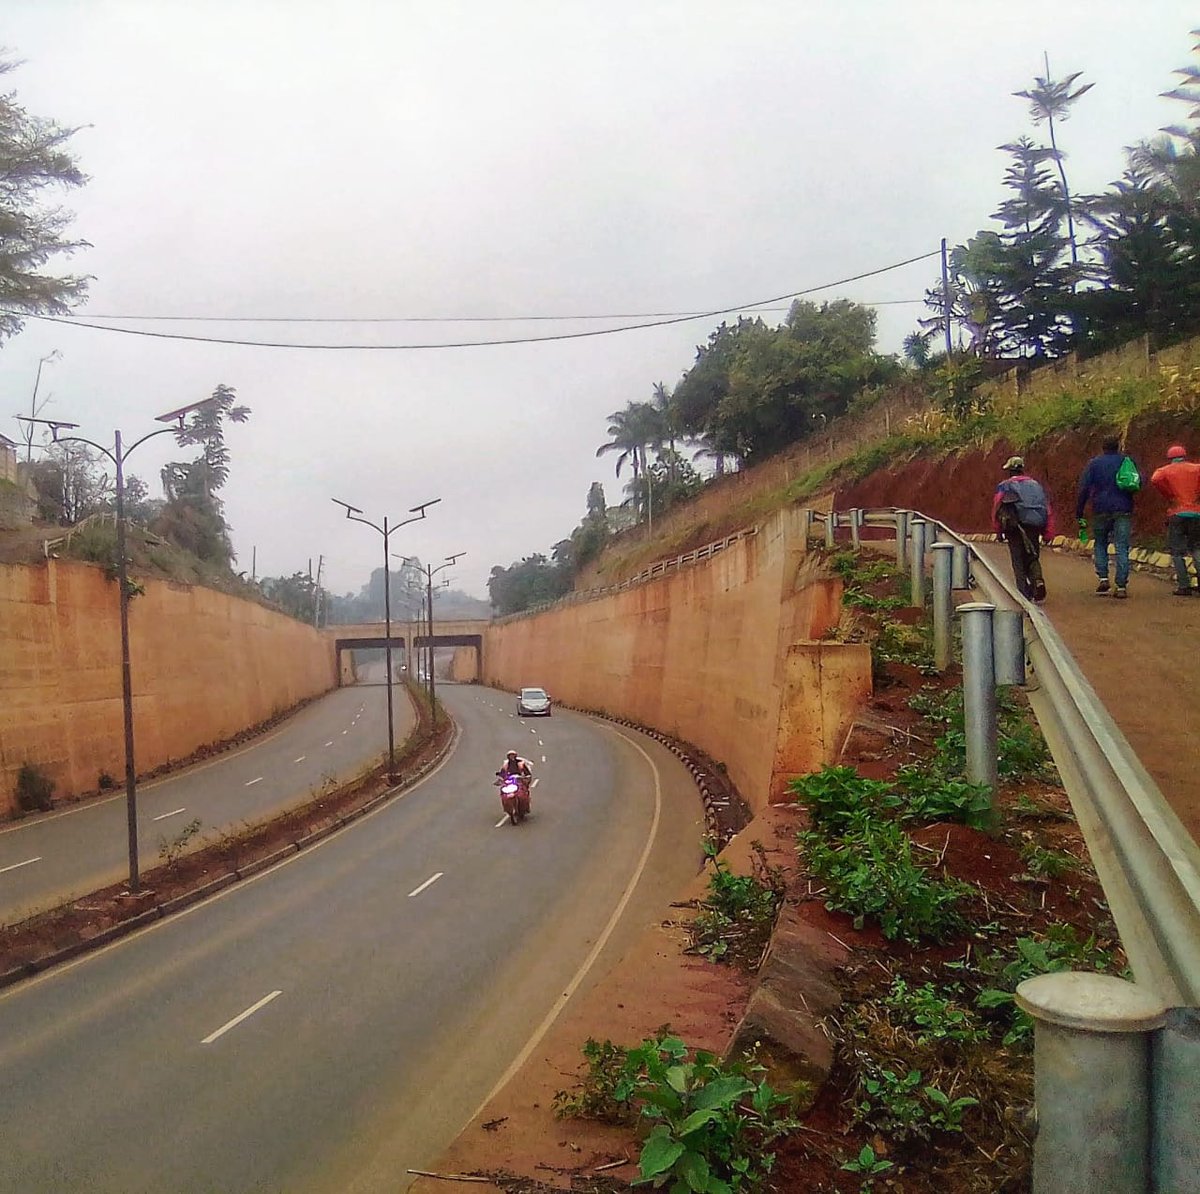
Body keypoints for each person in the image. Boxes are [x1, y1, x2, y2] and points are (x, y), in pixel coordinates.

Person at [1075, 435, 1143, 599]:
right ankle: (1121, 586)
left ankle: (1103, 578)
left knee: (1100, 543)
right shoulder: (1127, 461)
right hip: (1123, 508)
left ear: (1103, 447)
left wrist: (1079, 510)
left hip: (1100, 508)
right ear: (1118, 446)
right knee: (1121, 546)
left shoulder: (1094, 464)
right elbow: (1139, 481)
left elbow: (1084, 487)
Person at [992, 455, 1055, 602]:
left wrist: (998, 531)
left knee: (1018, 560)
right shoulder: (1036, 485)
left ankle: (1023, 594)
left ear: (1009, 471)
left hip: (1014, 527)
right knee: (1032, 555)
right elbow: (1047, 508)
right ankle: (1037, 580)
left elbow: (997, 509)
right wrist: (1048, 533)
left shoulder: (1005, 486)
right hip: (1034, 525)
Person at [1150, 445, 1200, 596]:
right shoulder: (1196, 468)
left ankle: (1184, 585)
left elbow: (1155, 479)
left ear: (1170, 458)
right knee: (1197, 548)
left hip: (1177, 512)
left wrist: (1168, 493)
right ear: (1184, 455)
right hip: (1196, 513)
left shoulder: (1164, 471)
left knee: (1177, 552)